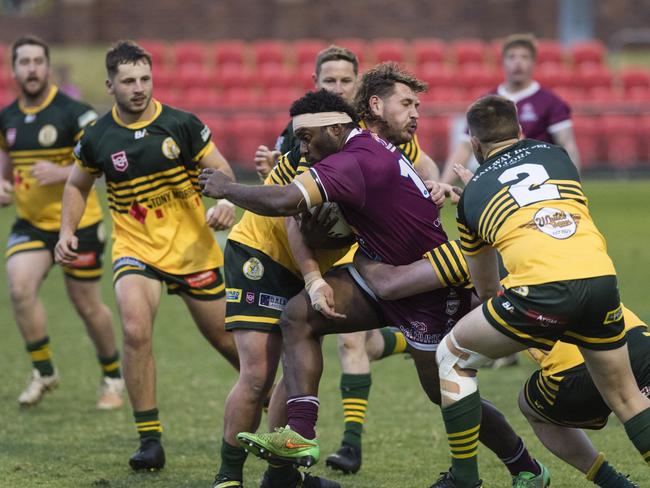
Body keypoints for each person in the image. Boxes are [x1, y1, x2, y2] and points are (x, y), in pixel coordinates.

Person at [200, 90, 550, 488]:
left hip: (426, 286)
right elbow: (298, 214)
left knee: (442, 392)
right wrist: (315, 278)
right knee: (298, 317)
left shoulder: (353, 161)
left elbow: (283, 201)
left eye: (307, 138)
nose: (302, 146)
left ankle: (526, 468)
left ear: (335, 128)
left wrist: (228, 188)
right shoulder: (362, 148)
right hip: (380, 272)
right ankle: (300, 433)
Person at [429, 94, 650, 488]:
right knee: (628, 399)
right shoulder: (559, 157)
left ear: (475, 145)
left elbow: (485, 287)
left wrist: (481, 211)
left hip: (540, 293)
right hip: (601, 279)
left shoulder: (473, 194)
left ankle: (464, 477)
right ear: (520, 130)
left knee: (453, 356)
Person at [54, 40, 239, 472]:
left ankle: (270, 400)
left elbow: (224, 171)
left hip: (193, 251)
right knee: (136, 330)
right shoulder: (98, 136)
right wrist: (67, 230)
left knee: (229, 342)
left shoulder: (181, 124)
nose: (139, 88)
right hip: (136, 250)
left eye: (144, 79)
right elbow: (76, 185)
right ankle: (149, 440)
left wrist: (226, 200)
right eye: (128, 81)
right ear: (110, 85)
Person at [351, 235, 646, 488]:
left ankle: (608, 482)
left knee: (530, 406)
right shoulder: (540, 244)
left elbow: (389, 284)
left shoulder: (466, 251)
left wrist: (357, 251)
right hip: (637, 339)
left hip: (577, 370)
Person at [0, 35, 124, 410]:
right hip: (32, 223)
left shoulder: (74, 113)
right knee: (19, 287)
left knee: (86, 305)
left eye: (38, 61)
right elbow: (7, 160)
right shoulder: (7, 117)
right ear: (15, 69)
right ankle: (44, 370)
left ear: (47, 67)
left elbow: (103, 160)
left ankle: (113, 378)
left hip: (78, 224)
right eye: (25, 62)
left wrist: (62, 171)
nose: (32, 68)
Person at [440, 33, 581, 186]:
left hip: (539, 181)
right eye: (512, 57)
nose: (518, 63)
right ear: (503, 62)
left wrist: (574, 184)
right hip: (495, 181)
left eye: (524, 57)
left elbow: (567, 145)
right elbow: (464, 147)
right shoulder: (487, 102)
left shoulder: (551, 102)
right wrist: (443, 184)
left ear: (534, 62)